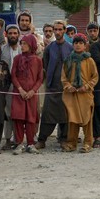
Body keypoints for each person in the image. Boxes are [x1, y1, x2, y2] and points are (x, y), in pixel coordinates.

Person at [36, 20, 71, 150]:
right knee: (47, 114)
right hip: (51, 86)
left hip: (65, 87)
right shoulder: (49, 48)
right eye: (55, 30)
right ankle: (42, 140)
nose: (57, 32)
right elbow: (44, 65)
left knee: (65, 115)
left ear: (64, 30)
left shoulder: (70, 48)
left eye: (60, 29)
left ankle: (63, 139)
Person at [61, 33, 99, 153]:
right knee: (72, 119)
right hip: (72, 94)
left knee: (87, 119)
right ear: (73, 45)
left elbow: (95, 77)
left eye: (81, 43)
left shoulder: (89, 60)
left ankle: (88, 143)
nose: (78, 45)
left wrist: (87, 86)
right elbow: (63, 77)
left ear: (85, 45)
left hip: (85, 94)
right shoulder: (68, 60)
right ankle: (71, 143)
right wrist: (68, 86)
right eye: (76, 43)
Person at [10, 34, 43, 155]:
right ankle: (19, 143)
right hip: (19, 93)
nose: (22, 46)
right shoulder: (17, 59)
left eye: (25, 44)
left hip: (31, 95)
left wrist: (32, 91)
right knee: (18, 118)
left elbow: (40, 78)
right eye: (21, 44)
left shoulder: (38, 60)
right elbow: (13, 75)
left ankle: (30, 143)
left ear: (31, 45)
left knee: (31, 119)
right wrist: (20, 89)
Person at [0, 24, 22, 148]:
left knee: (18, 113)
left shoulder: (22, 49)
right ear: (6, 35)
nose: (13, 35)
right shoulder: (2, 49)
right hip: (6, 86)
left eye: (15, 33)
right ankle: (8, 139)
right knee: (8, 113)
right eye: (10, 33)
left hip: (21, 86)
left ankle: (18, 139)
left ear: (18, 35)